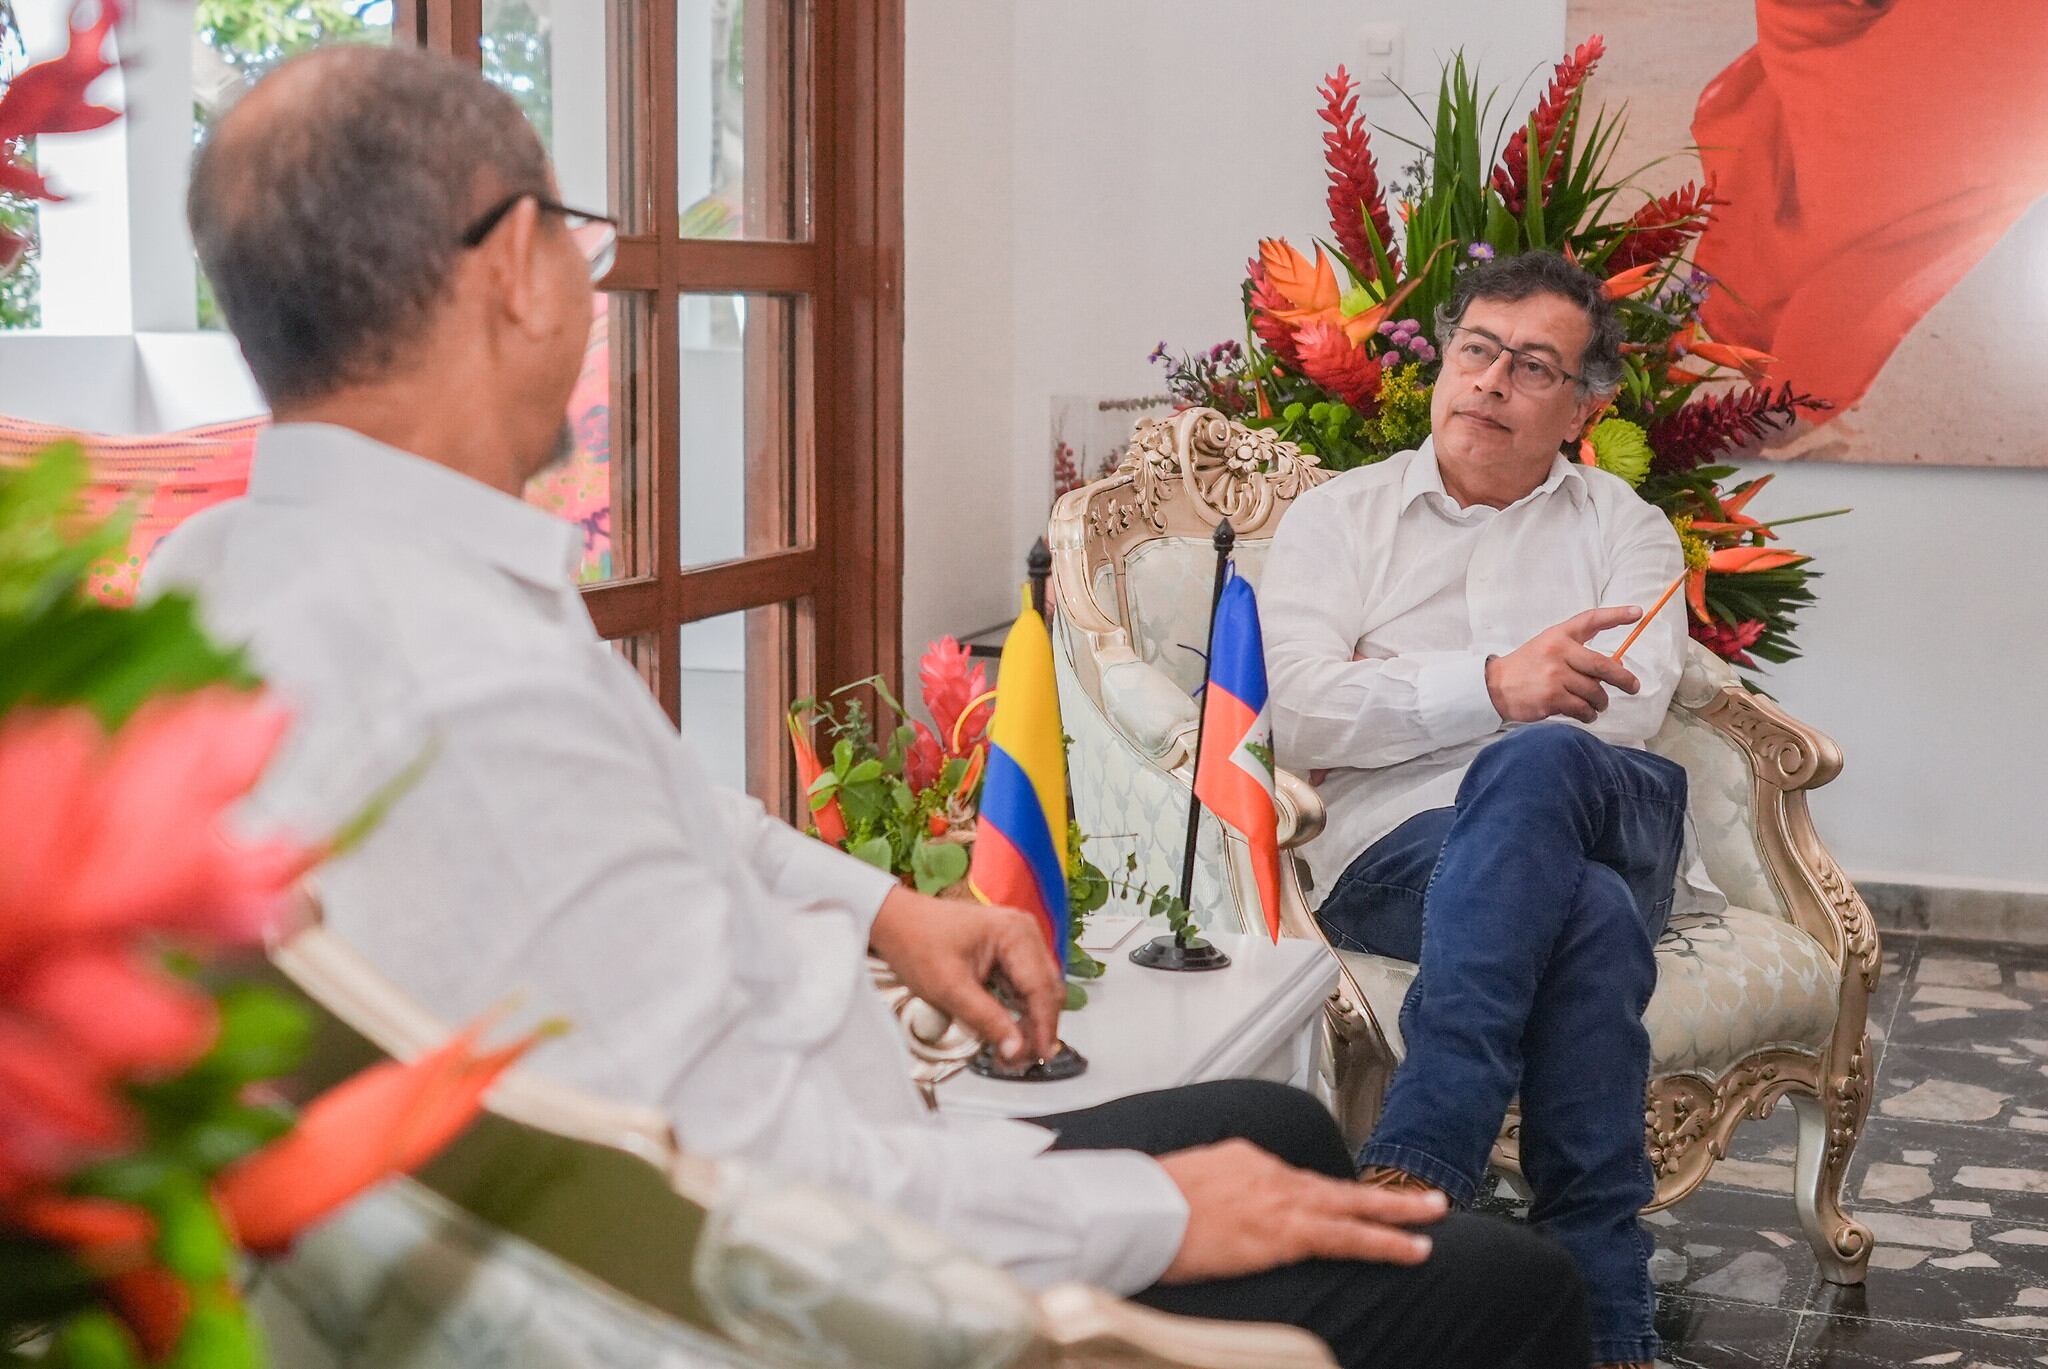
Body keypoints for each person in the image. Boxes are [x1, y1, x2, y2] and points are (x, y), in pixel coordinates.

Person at [146, 46, 1592, 1368]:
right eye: (577, 244)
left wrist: (887, 908)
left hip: (746, 1177)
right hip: (819, 1280)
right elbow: (750, 1194)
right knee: (1516, 1293)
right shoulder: (478, 683)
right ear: (516, 265)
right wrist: (1156, 1213)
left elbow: (651, 810)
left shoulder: (228, 576)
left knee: (1277, 1120)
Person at [1263, 249, 1724, 1369]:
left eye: (1530, 366)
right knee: (1589, 917)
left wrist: (1413, 688)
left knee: (1536, 768)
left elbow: (1627, 707)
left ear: (1580, 408)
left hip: (1606, 810)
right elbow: (1293, 711)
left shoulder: (1624, 528)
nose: (1490, 382)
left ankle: (1425, 1147)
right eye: (1474, 350)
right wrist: (1496, 684)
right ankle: (1604, 1294)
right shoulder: (1340, 520)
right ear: (1439, 365)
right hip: (1399, 858)